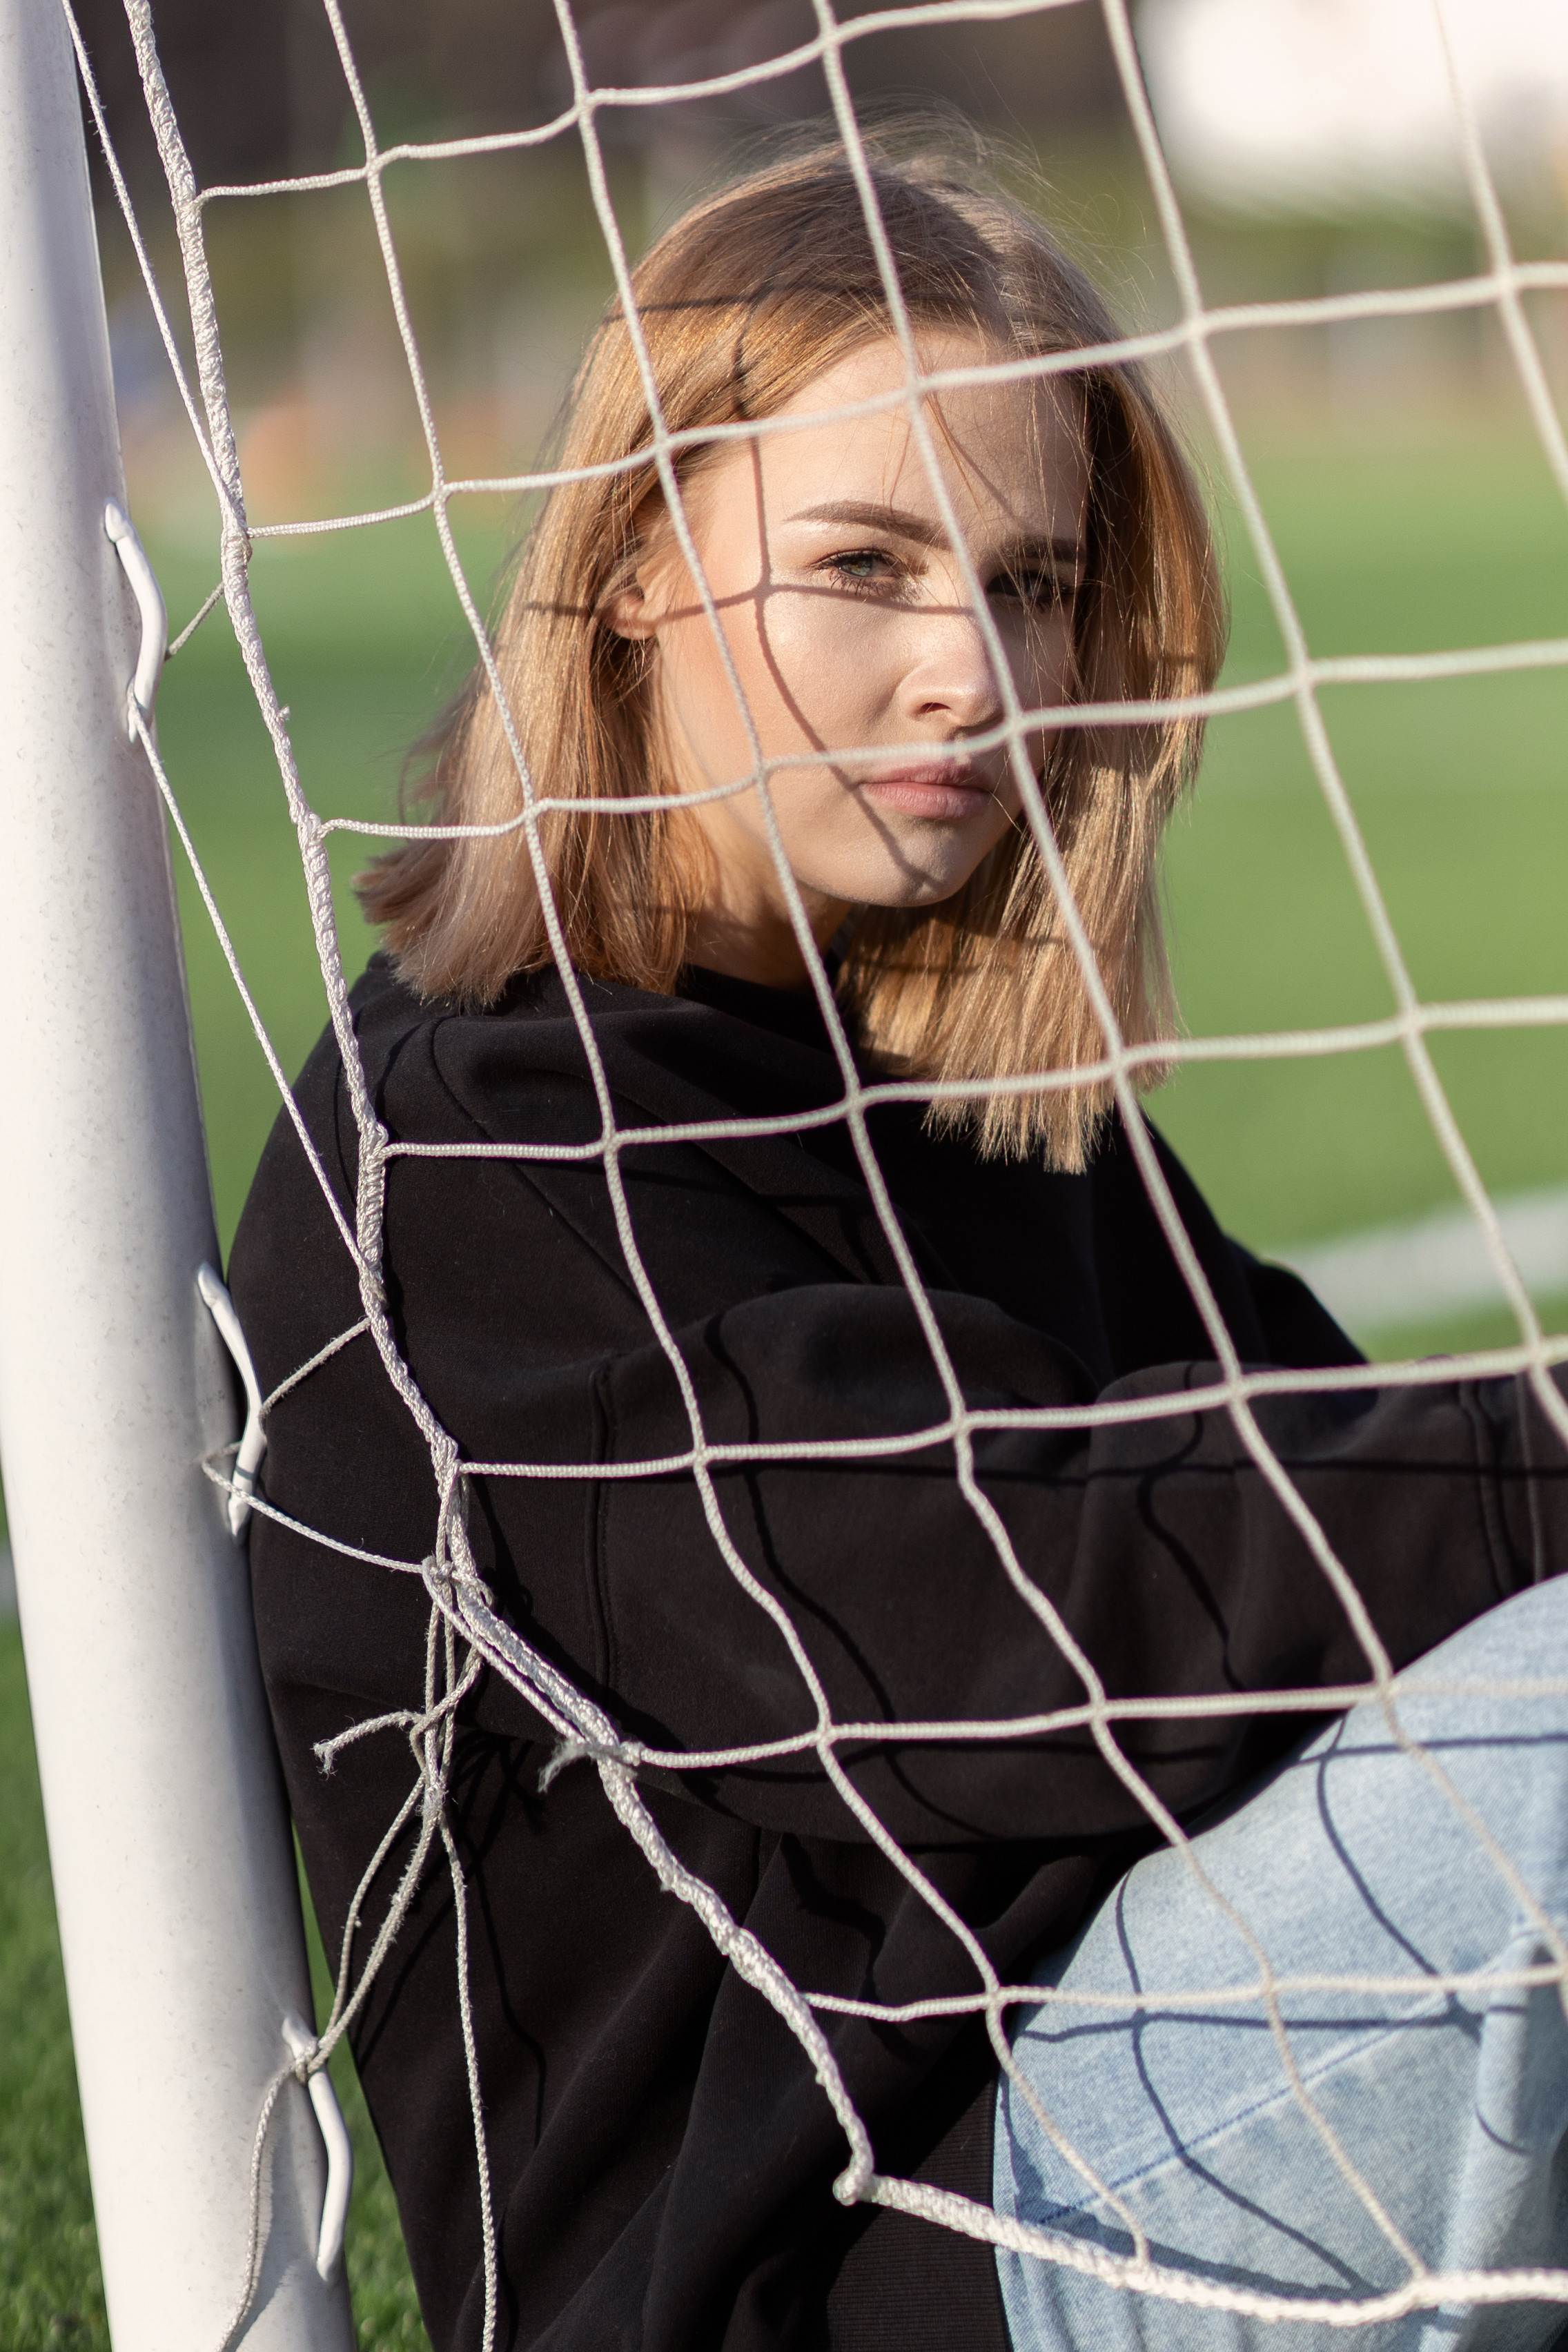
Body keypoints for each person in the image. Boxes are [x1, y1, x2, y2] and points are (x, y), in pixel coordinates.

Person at [228, 137, 1568, 2352]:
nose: (973, 672)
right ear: (637, 566)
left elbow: (1308, 1461)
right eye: (867, 563)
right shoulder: (471, 1150)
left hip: (1141, 2117)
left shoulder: (947, 1094)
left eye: (1032, 585)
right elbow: (990, 1640)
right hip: (863, 2263)